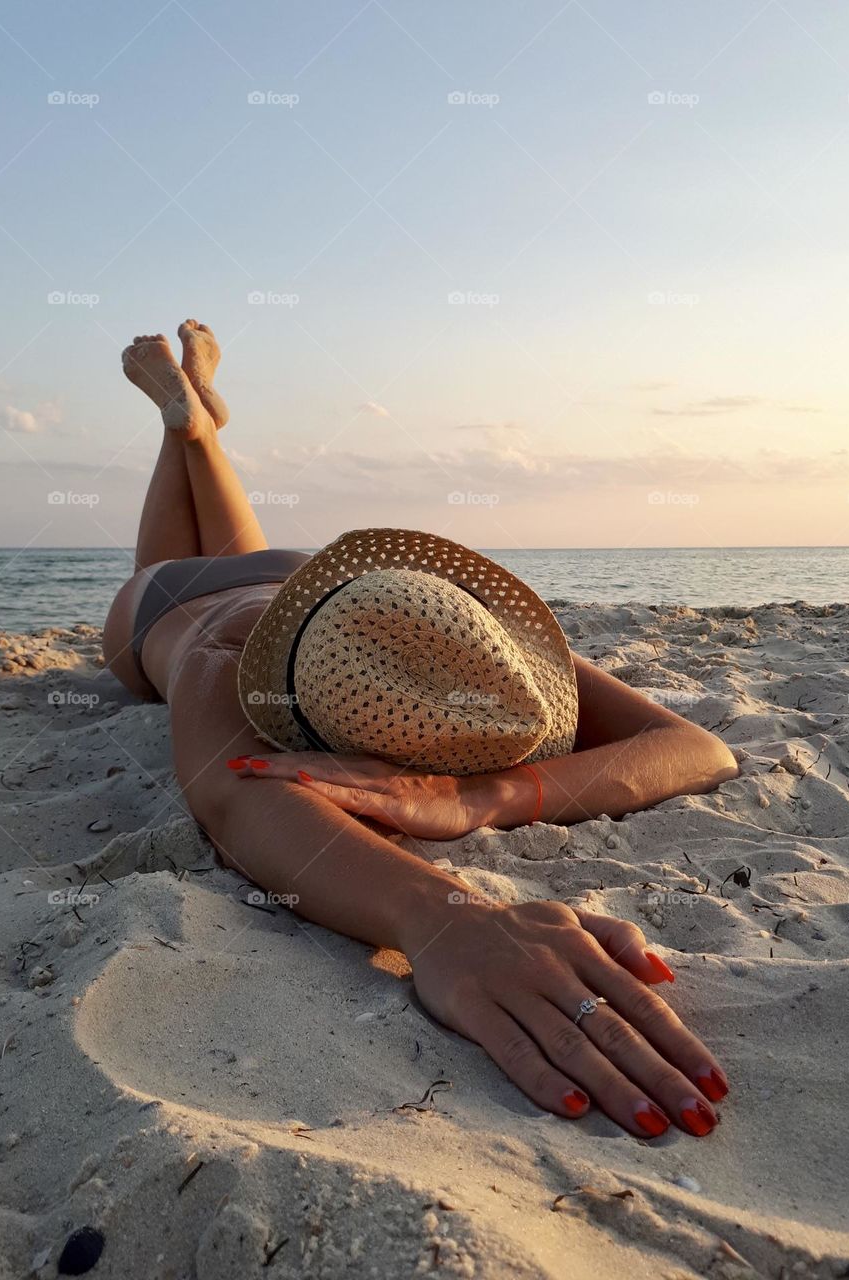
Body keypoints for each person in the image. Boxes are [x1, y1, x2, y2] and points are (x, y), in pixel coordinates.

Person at [103, 320, 739, 1140]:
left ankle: (189, 423)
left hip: (293, 580)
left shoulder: (462, 651)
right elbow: (236, 797)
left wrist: (483, 794)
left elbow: (703, 753)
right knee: (157, 563)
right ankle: (191, 428)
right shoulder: (221, 659)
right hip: (169, 600)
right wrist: (446, 918)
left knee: (211, 517)